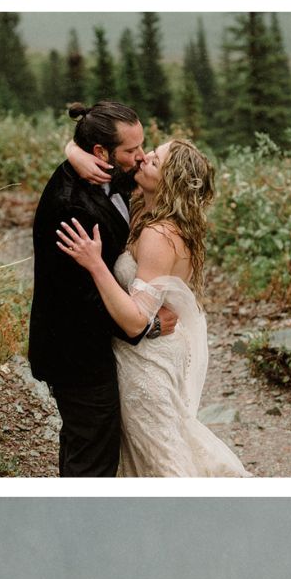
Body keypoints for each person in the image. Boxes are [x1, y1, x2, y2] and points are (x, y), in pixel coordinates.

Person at [55, 133, 247, 476]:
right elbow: (106, 164)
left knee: (161, 459)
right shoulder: (157, 216)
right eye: (149, 152)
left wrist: (95, 263)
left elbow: (135, 322)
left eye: (154, 161)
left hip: (146, 362)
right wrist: (72, 150)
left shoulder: (158, 235)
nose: (143, 159)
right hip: (153, 352)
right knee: (159, 450)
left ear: (169, 183)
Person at [28, 101, 183, 476]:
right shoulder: (72, 207)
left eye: (142, 146)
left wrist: (71, 150)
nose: (141, 156)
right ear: (101, 152)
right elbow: (82, 298)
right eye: (132, 150)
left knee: (88, 444)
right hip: (76, 352)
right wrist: (146, 325)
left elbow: (161, 177)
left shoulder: (113, 171)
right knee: (93, 454)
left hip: (95, 348)